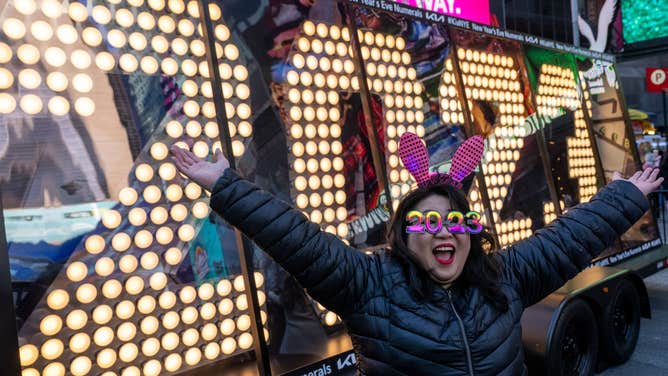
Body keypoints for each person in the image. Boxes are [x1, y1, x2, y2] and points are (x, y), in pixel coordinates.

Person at [170, 133, 662, 375]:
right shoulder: (370, 286)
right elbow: (299, 241)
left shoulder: (504, 277)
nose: (443, 232)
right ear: (404, 236)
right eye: (427, 222)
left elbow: (566, 239)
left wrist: (625, 199)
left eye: (455, 220)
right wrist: (227, 187)